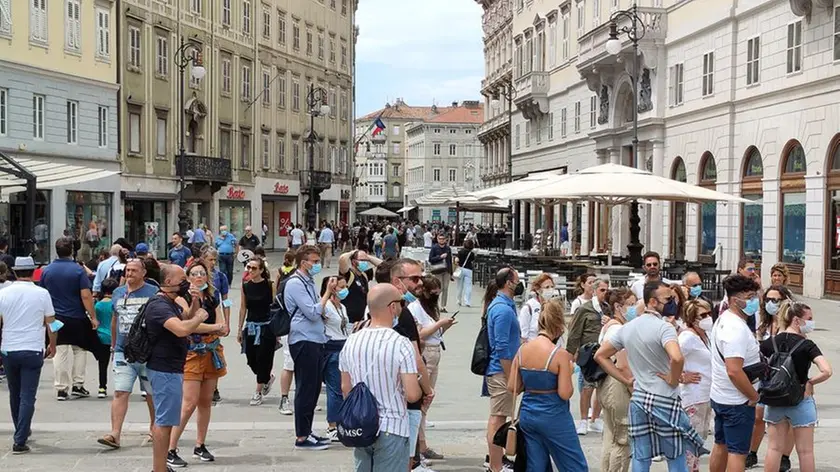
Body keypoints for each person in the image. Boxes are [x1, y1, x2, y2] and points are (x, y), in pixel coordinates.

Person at [595, 281, 706, 472]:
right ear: (653, 302)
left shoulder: (627, 327)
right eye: (668, 299)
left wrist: (626, 379)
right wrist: (673, 378)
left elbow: (600, 355)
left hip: (639, 398)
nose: (672, 302)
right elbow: (677, 357)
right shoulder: (664, 328)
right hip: (665, 398)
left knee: (641, 455)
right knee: (675, 455)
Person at [339, 283, 421, 472]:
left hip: (361, 425)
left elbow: (345, 387)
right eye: (401, 303)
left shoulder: (351, 340)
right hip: (392, 426)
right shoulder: (401, 343)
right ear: (392, 307)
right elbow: (412, 394)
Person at [508, 298, 587, 471]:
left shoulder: (523, 350)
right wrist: (569, 371)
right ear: (559, 324)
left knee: (536, 465)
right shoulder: (560, 354)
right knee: (574, 464)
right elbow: (565, 393)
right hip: (553, 415)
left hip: (528, 412)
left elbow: (512, 386)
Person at [145, 264, 210, 472]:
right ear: (170, 282)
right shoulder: (159, 305)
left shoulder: (170, 302)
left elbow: (186, 317)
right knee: (163, 422)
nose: (187, 283)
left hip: (172, 367)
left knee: (167, 419)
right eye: (183, 279)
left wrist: (196, 301)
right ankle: (159, 468)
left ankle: (161, 465)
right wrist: (200, 317)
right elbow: (182, 329)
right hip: (163, 369)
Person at [167, 261, 228, 467]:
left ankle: (200, 444)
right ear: (188, 277)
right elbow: (191, 324)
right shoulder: (182, 298)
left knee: (205, 400)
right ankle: (170, 447)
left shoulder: (212, 296)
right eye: (194, 273)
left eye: (202, 273)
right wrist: (214, 326)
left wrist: (216, 327)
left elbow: (222, 326)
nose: (199, 277)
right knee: (188, 402)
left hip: (212, 350)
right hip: (192, 352)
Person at [760, 301, 832, 472]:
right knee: (805, 452)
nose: (812, 323)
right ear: (796, 320)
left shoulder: (769, 343)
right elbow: (827, 370)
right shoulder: (807, 345)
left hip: (774, 399)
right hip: (800, 398)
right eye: (809, 319)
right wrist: (810, 382)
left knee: (774, 449)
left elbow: (758, 368)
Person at [97, 259, 159, 450]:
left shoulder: (153, 292)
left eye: (134, 270)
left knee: (151, 394)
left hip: (148, 352)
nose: (130, 273)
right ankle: (115, 433)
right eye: (128, 270)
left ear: (143, 273)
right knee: (120, 391)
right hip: (123, 351)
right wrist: (114, 345)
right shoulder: (117, 292)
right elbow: (115, 319)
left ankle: (155, 428)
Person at [0, 256, 57, 454]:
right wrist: (52, 344)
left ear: (14, 272)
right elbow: (52, 322)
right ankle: (20, 437)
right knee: (28, 395)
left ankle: (21, 429)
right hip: (33, 347)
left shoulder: (4, 293)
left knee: (14, 393)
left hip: (9, 347)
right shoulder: (42, 293)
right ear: (33, 272)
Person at [709, 274, 763, 472]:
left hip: (721, 396)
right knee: (738, 453)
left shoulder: (724, 319)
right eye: (749, 297)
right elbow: (733, 370)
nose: (754, 301)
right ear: (734, 300)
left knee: (721, 444)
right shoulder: (735, 329)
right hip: (737, 401)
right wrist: (753, 395)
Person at [389, 259, 435, 471]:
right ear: (398, 281)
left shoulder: (400, 310)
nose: (420, 283)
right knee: (405, 448)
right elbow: (415, 357)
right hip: (404, 390)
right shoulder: (402, 313)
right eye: (414, 279)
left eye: (421, 278)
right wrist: (427, 388)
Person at [284, 245, 332, 450]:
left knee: (313, 389)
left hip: (315, 338)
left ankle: (308, 429)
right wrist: (328, 293)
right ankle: (301, 436)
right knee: (305, 388)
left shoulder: (308, 281)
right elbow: (312, 312)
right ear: (303, 262)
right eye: (313, 261)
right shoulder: (295, 283)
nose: (317, 264)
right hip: (303, 339)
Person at [40, 236, 98, 401]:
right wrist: (93, 316)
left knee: (59, 350)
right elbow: (86, 296)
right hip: (77, 316)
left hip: (55, 316)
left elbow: (43, 294)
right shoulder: (78, 270)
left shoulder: (47, 270)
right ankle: (78, 384)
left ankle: (61, 388)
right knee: (79, 349)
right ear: (72, 251)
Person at [409, 276, 457, 463]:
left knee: (426, 403)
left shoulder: (431, 307)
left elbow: (435, 333)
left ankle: (422, 443)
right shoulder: (415, 308)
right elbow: (420, 334)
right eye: (433, 293)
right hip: (425, 353)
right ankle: (419, 447)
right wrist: (439, 324)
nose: (436, 296)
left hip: (435, 350)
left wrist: (443, 327)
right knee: (422, 400)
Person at [484, 267, 522, 472]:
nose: (518, 284)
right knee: (498, 419)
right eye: (516, 280)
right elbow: (501, 347)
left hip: (501, 369)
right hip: (501, 371)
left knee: (500, 417)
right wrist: (511, 376)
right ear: (508, 283)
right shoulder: (502, 309)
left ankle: (496, 463)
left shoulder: (504, 306)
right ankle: (495, 465)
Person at [597, 288, 637, 472]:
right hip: (618, 386)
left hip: (608, 384)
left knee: (611, 437)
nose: (635, 308)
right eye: (631, 304)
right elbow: (622, 364)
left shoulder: (610, 326)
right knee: (622, 440)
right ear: (618, 306)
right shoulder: (618, 329)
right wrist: (631, 385)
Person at [567, 277, 609, 435]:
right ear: (594, 290)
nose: (604, 293)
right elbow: (574, 333)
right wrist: (571, 354)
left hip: (604, 352)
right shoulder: (585, 309)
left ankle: (595, 419)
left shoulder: (607, 308)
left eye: (606, 290)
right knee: (587, 387)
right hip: (588, 352)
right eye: (602, 290)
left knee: (601, 387)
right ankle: (584, 420)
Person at [679, 299, 715, 472]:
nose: (708, 317)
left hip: (706, 394)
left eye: (709, 313)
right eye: (703, 315)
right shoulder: (687, 337)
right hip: (694, 395)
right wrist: (681, 377)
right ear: (692, 318)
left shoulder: (705, 335)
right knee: (690, 441)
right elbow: (668, 360)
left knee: (698, 439)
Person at [238, 257, 276, 406]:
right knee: (251, 359)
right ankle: (267, 377)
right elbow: (243, 307)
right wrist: (240, 329)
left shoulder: (269, 285)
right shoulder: (245, 286)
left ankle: (258, 391)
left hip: (266, 326)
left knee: (263, 359)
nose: (250, 271)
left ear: (261, 270)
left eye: (254, 268)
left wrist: (277, 328)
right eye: (249, 267)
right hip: (251, 326)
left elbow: (274, 306)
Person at [320, 275, 350, 441]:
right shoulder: (327, 306)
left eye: (345, 286)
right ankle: (332, 425)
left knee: (343, 388)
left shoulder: (342, 307)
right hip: (331, 349)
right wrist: (327, 292)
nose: (344, 289)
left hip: (344, 347)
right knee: (335, 389)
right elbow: (318, 309)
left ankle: (341, 421)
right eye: (341, 287)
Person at [338, 249, 381, 323]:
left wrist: (368, 257)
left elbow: (383, 266)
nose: (365, 262)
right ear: (354, 261)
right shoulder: (348, 274)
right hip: (349, 319)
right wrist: (352, 252)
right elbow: (342, 258)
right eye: (362, 260)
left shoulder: (364, 274)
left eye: (366, 260)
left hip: (362, 319)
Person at [94, 278, 120, 398]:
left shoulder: (97, 305)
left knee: (102, 364)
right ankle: (120, 387)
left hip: (101, 337)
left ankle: (102, 388)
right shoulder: (116, 304)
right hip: (116, 337)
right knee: (118, 364)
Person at [518, 273, 558, 343]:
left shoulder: (554, 306)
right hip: (534, 347)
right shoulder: (528, 307)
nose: (550, 289)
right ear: (538, 289)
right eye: (547, 287)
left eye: (552, 287)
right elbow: (524, 336)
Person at [428, 233, 453, 313]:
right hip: (437, 270)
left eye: (443, 239)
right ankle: (435, 304)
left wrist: (451, 272)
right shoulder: (434, 248)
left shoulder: (448, 248)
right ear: (437, 239)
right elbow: (430, 259)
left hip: (446, 271)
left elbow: (450, 260)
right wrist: (440, 257)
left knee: (446, 288)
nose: (441, 240)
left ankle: (443, 306)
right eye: (440, 239)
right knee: (439, 288)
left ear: (445, 240)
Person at [455, 239, 476, 308]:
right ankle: (467, 301)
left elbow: (456, 260)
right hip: (469, 270)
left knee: (459, 286)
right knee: (468, 286)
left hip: (461, 269)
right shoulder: (472, 254)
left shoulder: (460, 252)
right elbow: (473, 261)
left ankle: (458, 300)